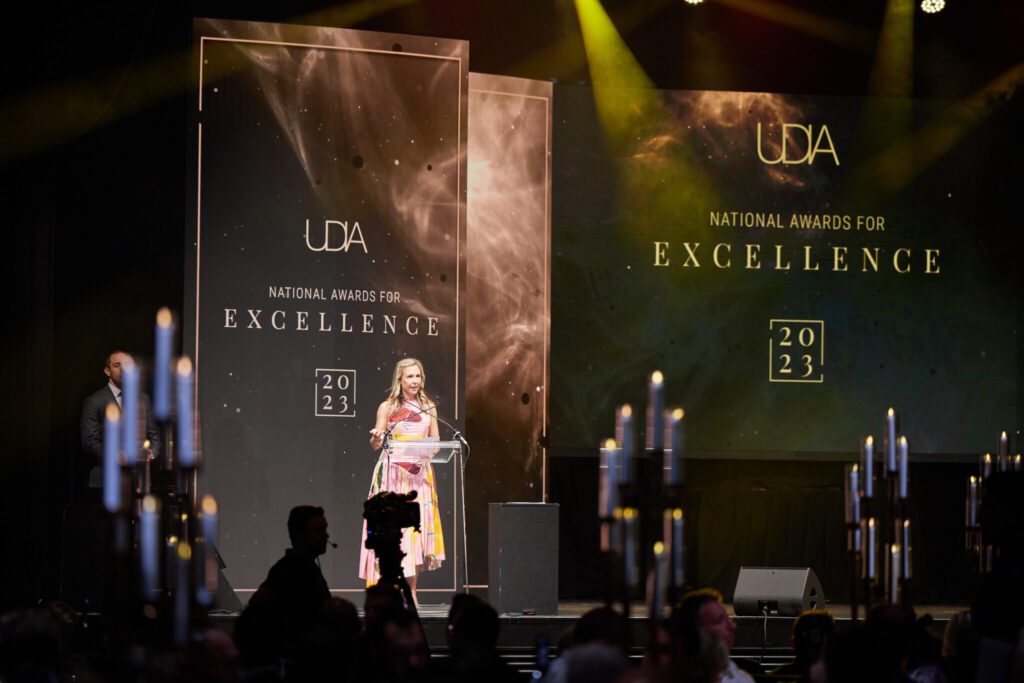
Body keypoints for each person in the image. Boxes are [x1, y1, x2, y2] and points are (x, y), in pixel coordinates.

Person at [358, 358, 445, 602]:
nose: (414, 381)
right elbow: (376, 444)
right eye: (409, 376)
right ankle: (389, 592)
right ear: (400, 379)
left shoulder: (429, 407)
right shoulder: (387, 407)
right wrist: (376, 437)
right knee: (395, 532)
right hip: (393, 475)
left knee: (415, 532)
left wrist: (425, 453)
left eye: (418, 376)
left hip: (419, 476)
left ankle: (412, 591)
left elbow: (437, 443)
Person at [240, 506, 332, 663]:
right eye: (318, 530)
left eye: (324, 529)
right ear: (299, 536)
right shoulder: (286, 571)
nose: (326, 535)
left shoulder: (307, 568)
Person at [79, 350, 160, 496]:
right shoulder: (94, 401)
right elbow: (89, 442)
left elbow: (154, 434)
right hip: (104, 480)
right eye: (117, 365)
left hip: (138, 479)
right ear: (107, 371)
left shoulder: (143, 399)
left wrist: (151, 454)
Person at [673, 589, 755, 683]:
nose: (732, 626)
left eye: (729, 620)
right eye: (719, 621)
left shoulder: (742, 677)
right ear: (694, 633)